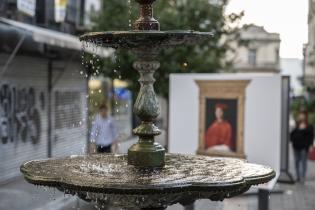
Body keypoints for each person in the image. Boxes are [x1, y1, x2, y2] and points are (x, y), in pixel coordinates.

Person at [290, 110, 314, 184]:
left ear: (306, 116)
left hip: (304, 147)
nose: (301, 116)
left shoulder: (309, 125)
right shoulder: (296, 124)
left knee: (303, 162)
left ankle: (302, 177)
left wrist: (310, 145)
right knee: (296, 162)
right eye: (300, 114)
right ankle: (298, 177)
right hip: (296, 146)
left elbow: (311, 136)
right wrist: (297, 128)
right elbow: (291, 134)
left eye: (303, 114)